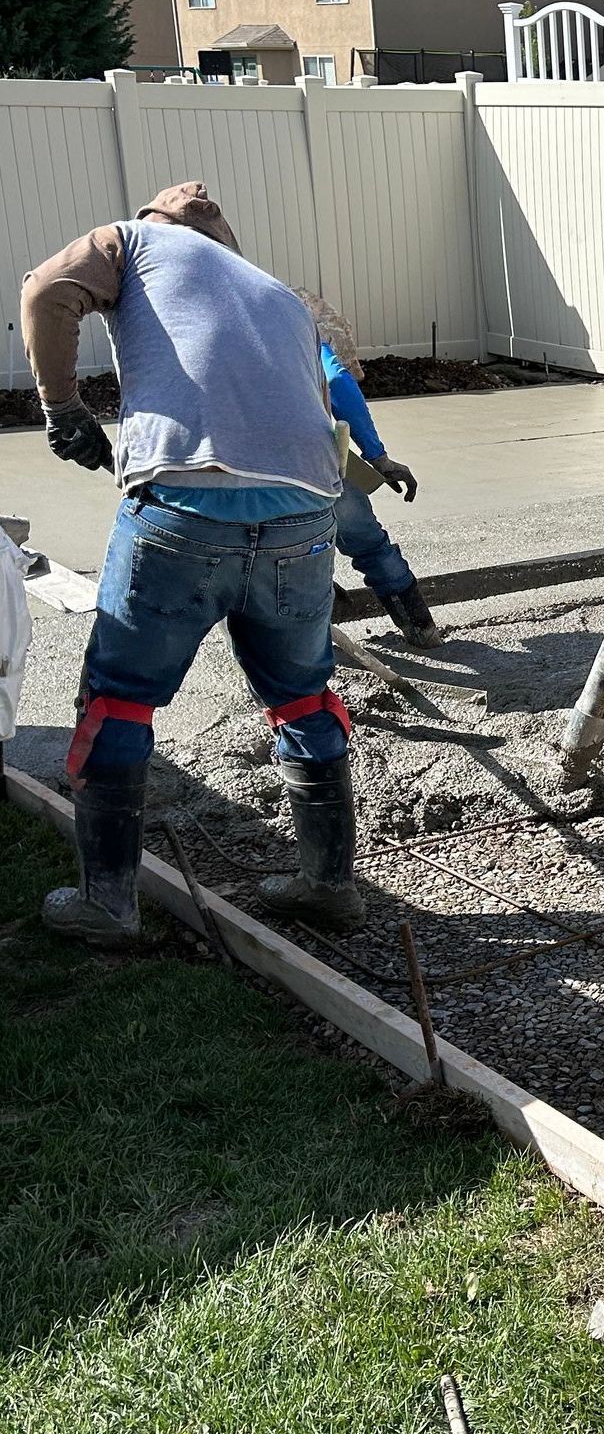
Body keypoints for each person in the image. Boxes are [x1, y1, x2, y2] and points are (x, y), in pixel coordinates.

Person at [20, 181, 364, 943]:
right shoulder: (276, 292)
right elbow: (316, 407)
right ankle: (328, 886)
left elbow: (45, 290)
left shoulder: (131, 242)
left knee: (119, 700)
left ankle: (108, 905)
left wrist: (63, 408)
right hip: (306, 517)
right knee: (304, 698)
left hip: (184, 510)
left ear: (156, 225)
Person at [295, 291, 442, 648]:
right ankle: (422, 631)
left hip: (257, 473)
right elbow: (339, 382)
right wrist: (378, 458)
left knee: (290, 555)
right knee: (370, 547)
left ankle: (311, 648)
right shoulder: (303, 334)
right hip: (321, 462)